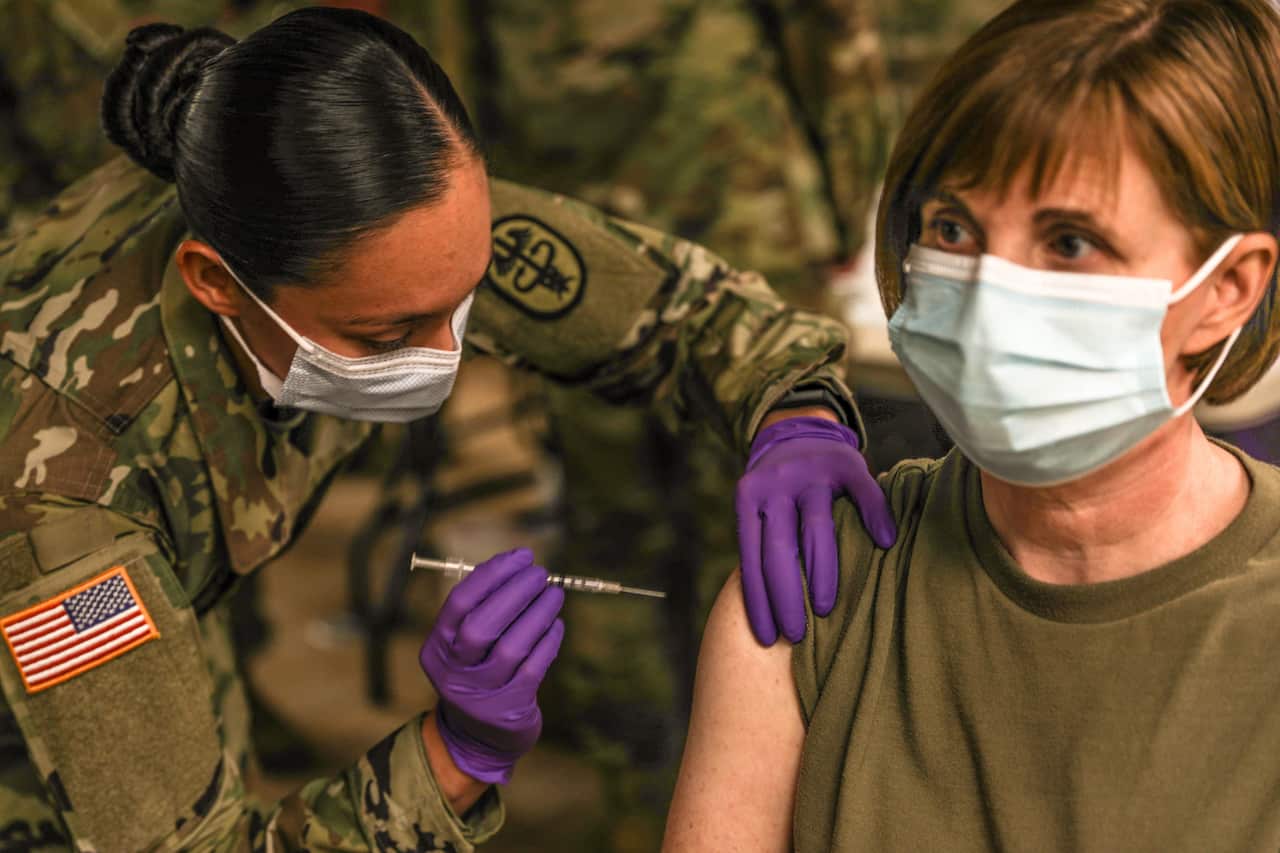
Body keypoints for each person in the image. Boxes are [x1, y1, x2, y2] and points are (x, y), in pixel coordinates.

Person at [0, 7, 895, 849]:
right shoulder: (64, 501)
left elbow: (686, 314)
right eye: (387, 336)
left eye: (463, 302)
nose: (446, 355)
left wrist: (795, 409)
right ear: (218, 284)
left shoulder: (360, 213)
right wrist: (451, 756)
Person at [664, 0, 1280, 849]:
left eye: (1070, 242)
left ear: (1229, 290)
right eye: (953, 228)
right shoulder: (816, 594)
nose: (988, 297)